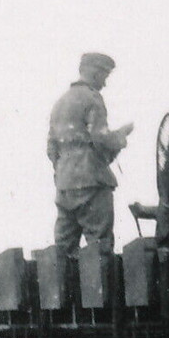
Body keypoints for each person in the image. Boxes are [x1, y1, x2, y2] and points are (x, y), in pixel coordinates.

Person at [47, 53, 134, 257]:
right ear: (95, 73)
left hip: (64, 185)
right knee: (99, 247)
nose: (105, 83)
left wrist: (64, 171)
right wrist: (121, 137)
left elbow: (51, 148)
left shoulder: (59, 103)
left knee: (63, 251)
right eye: (105, 76)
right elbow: (100, 138)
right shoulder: (92, 98)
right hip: (91, 182)